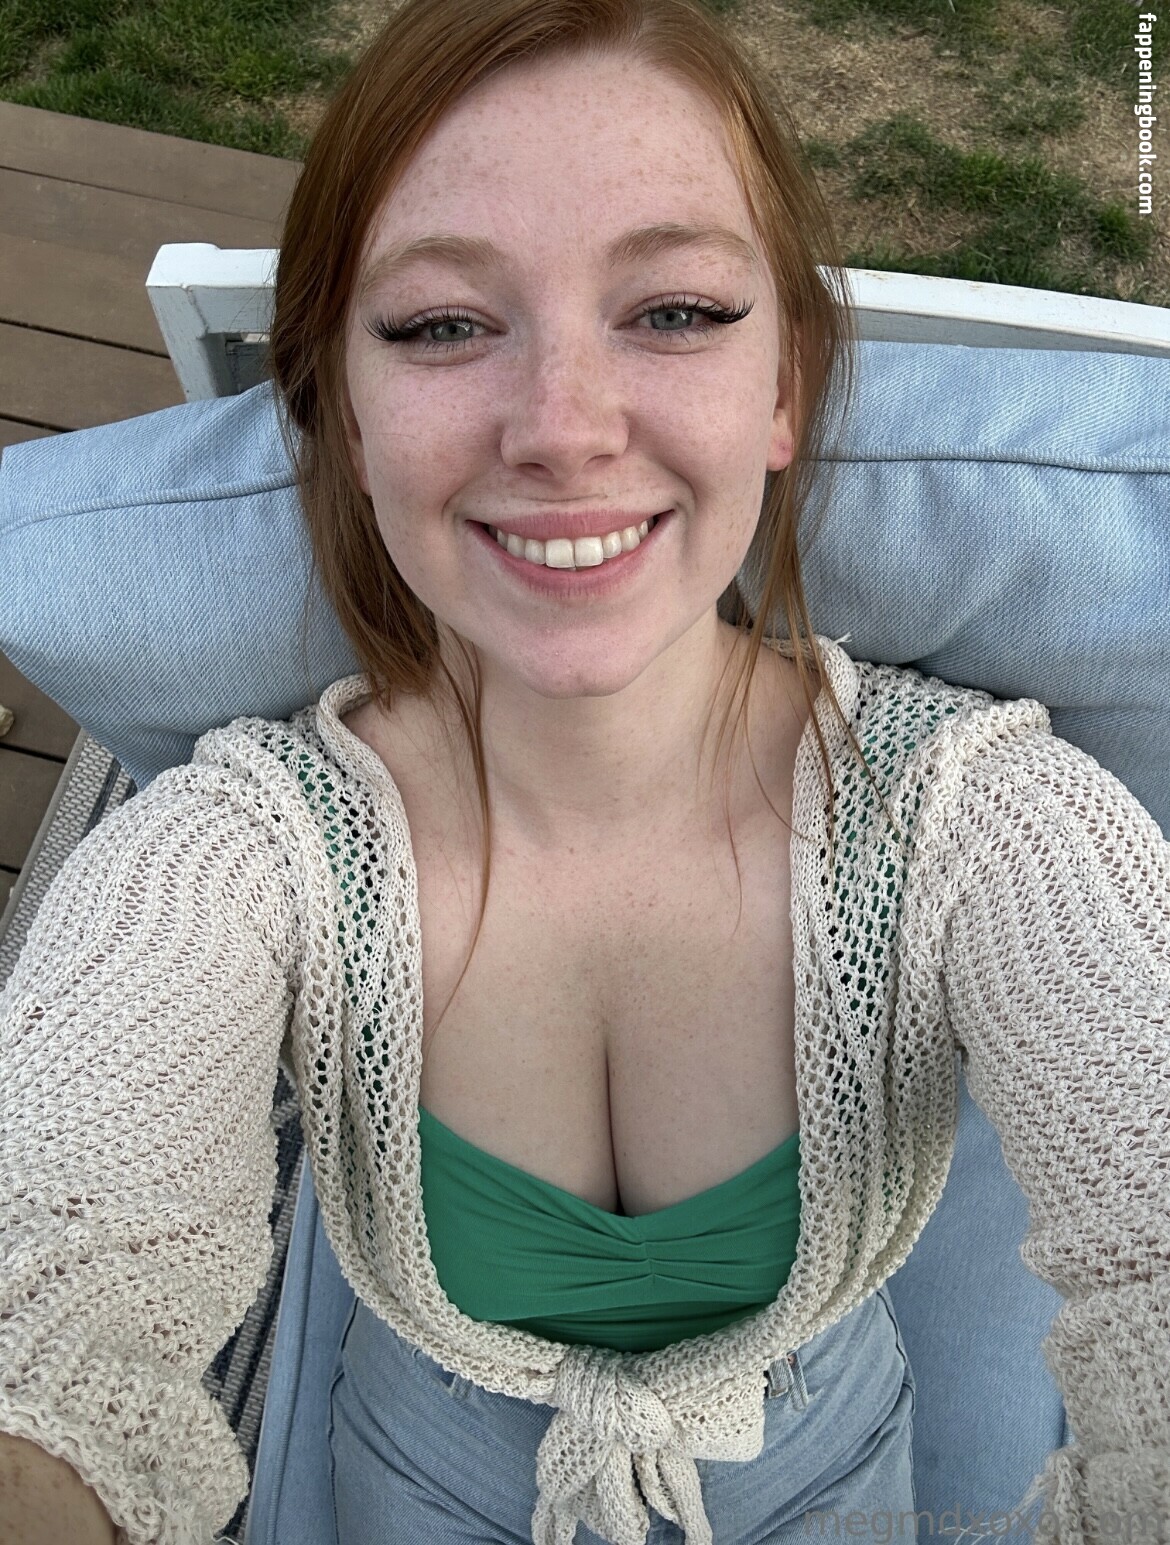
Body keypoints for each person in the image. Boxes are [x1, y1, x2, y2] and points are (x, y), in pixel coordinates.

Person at [1, 0, 1167, 1541]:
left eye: (673, 311)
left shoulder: (975, 827)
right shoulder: (238, 857)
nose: (562, 428)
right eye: (439, 325)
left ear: (783, 389)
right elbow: (59, 1309)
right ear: (340, 416)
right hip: (416, 1478)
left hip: (831, 1474)